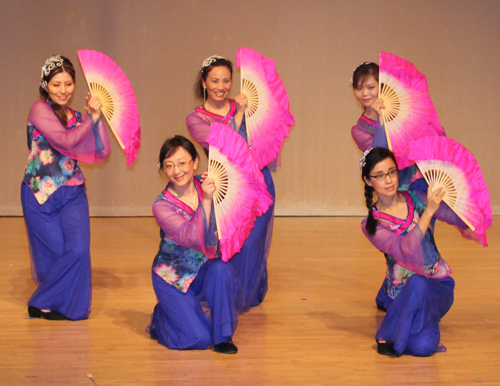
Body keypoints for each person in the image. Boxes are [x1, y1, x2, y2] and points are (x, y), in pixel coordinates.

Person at [22, 55, 110, 321]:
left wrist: (98, 118)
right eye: (57, 84)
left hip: (73, 192)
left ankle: (51, 303)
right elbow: (65, 141)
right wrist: (89, 121)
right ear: (45, 85)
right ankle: (52, 304)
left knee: (78, 250)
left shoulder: (79, 117)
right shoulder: (39, 109)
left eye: (68, 84)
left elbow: (102, 150)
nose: (63, 90)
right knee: (54, 253)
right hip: (40, 193)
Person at [186, 55, 275, 311]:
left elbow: (263, 138)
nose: (221, 86)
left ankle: (244, 296)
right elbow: (224, 147)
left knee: (253, 242)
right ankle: (227, 293)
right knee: (232, 241)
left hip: (258, 181)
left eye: (226, 80)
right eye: (214, 80)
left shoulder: (246, 105)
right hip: (226, 188)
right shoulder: (196, 118)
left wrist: (251, 114)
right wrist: (239, 117)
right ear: (204, 82)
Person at [360, 147, 467, 356]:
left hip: (437, 286)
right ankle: (410, 323)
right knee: (423, 346)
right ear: (367, 180)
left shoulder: (417, 197)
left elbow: (457, 217)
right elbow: (405, 249)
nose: (389, 180)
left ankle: (389, 331)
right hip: (401, 295)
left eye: (392, 172)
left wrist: (462, 201)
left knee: (420, 282)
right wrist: (428, 211)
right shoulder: (371, 225)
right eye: (380, 176)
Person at [147, 135, 244, 354]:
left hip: (204, 269)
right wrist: (207, 201)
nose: (177, 171)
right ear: (163, 169)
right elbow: (190, 237)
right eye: (169, 166)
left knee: (222, 269)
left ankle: (223, 337)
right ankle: (161, 318)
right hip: (173, 275)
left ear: (195, 162)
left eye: (182, 163)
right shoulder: (161, 206)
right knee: (197, 339)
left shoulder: (212, 185)